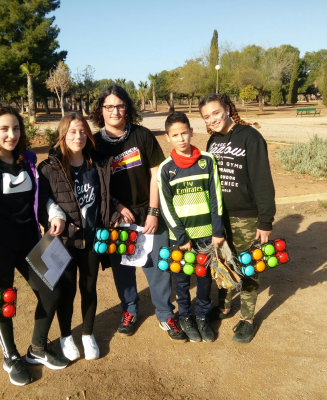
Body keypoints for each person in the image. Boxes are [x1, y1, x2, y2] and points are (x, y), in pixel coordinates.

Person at [0, 103, 68, 386]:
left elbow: (42, 197)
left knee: (53, 289)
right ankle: (11, 357)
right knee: (1, 303)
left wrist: (54, 214)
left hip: (31, 239)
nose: (11, 134)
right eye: (3, 128)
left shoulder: (27, 159)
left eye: (16, 128)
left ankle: (38, 348)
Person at [90, 85, 187, 342]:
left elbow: (157, 174)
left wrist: (154, 212)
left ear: (127, 108)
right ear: (101, 109)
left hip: (150, 211)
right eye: (109, 106)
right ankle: (129, 310)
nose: (115, 111)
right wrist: (117, 207)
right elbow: (94, 183)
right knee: (123, 268)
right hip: (117, 217)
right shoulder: (95, 143)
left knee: (158, 266)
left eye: (120, 105)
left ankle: (166, 314)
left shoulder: (142, 135)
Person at [199, 93, 276, 343]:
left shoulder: (250, 137)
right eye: (206, 117)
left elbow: (262, 180)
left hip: (246, 216)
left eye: (216, 113)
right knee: (223, 262)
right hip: (220, 216)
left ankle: (248, 318)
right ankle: (224, 307)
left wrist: (265, 220)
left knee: (247, 265)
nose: (212, 119)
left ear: (227, 110)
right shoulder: (212, 141)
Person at [38, 113, 111, 360]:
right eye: (71, 132)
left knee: (89, 287)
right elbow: (40, 204)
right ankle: (66, 335)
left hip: (92, 239)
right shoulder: (48, 168)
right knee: (66, 291)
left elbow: (106, 197)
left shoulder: (99, 164)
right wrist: (53, 214)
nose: (77, 137)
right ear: (62, 135)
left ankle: (88, 334)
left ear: (88, 135)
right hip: (64, 242)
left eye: (82, 131)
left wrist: (119, 207)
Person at [158, 111, 224, 342]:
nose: (181, 138)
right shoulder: (166, 169)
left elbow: (216, 197)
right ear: (168, 138)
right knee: (183, 280)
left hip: (207, 236)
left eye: (184, 133)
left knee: (204, 277)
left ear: (191, 132)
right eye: (175, 135)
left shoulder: (207, 160)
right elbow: (166, 207)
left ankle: (203, 316)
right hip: (182, 239)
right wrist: (180, 236)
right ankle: (185, 316)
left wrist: (218, 231)